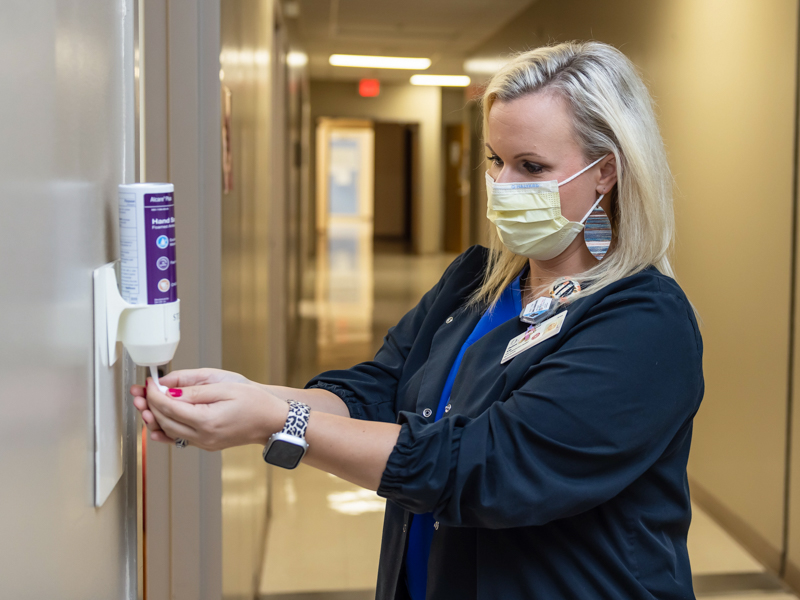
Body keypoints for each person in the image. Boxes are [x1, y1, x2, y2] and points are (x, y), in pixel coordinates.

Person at [132, 41, 704, 600]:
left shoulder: (644, 322)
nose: (502, 186)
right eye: (495, 161)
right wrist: (251, 398)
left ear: (605, 173)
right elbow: (380, 389)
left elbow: (491, 470)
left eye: (531, 166)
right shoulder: (479, 280)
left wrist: (283, 422)